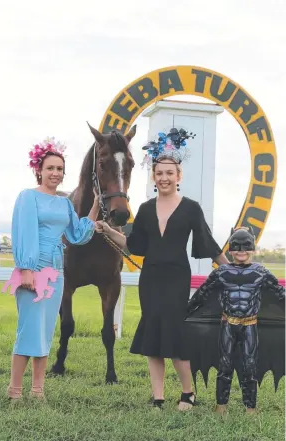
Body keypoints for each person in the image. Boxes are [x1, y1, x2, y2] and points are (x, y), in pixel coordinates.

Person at [96, 128, 228, 411]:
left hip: (177, 278)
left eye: (170, 173)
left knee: (176, 333)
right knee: (153, 334)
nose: (164, 178)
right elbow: (134, 245)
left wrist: (231, 270)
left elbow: (208, 243)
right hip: (151, 278)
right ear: (154, 177)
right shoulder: (143, 209)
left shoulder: (191, 208)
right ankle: (157, 397)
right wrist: (108, 230)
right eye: (159, 173)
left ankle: (187, 393)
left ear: (178, 176)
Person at [5, 137, 99, 401]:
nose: (55, 173)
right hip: (33, 270)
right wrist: (25, 269)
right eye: (50, 168)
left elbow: (78, 235)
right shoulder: (27, 197)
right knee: (28, 328)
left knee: (46, 329)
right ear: (39, 170)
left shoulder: (64, 203)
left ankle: (38, 390)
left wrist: (94, 207)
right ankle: (14, 389)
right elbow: (23, 232)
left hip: (56, 272)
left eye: (60, 169)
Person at [187, 227, 285, 415]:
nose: (241, 251)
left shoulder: (261, 272)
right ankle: (221, 406)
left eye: (246, 246)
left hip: (250, 324)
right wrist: (185, 310)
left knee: (250, 366)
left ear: (253, 249)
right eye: (237, 246)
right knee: (224, 365)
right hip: (227, 324)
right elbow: (202, 294)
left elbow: (280, 294)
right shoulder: (221, 272)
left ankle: (251, 408)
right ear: (230, 250)